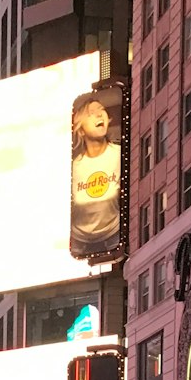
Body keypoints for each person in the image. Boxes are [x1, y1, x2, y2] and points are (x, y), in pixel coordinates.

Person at [70, 94, 122, 258]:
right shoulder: (74, 167)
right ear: (81, 128)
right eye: (91, 112)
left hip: (114, 237)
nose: (100, 114)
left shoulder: (120, 155)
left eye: (102, 110)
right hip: (79, 244)